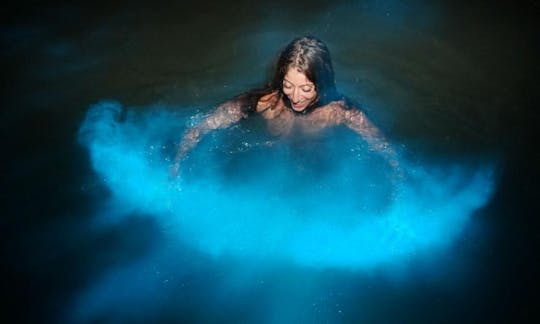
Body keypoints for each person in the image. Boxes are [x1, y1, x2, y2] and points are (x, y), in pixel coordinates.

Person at [170, 35, 400, 177]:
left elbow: (383, 146)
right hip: (272, 165)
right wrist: (178, 161)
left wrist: (399, 177)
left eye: (306, 89)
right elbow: (201, 126)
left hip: (320, 172)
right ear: (281, 79)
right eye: (289, 85)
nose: (295, 97)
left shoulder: (340, 111)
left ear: (323, 83)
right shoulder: (267, 102)